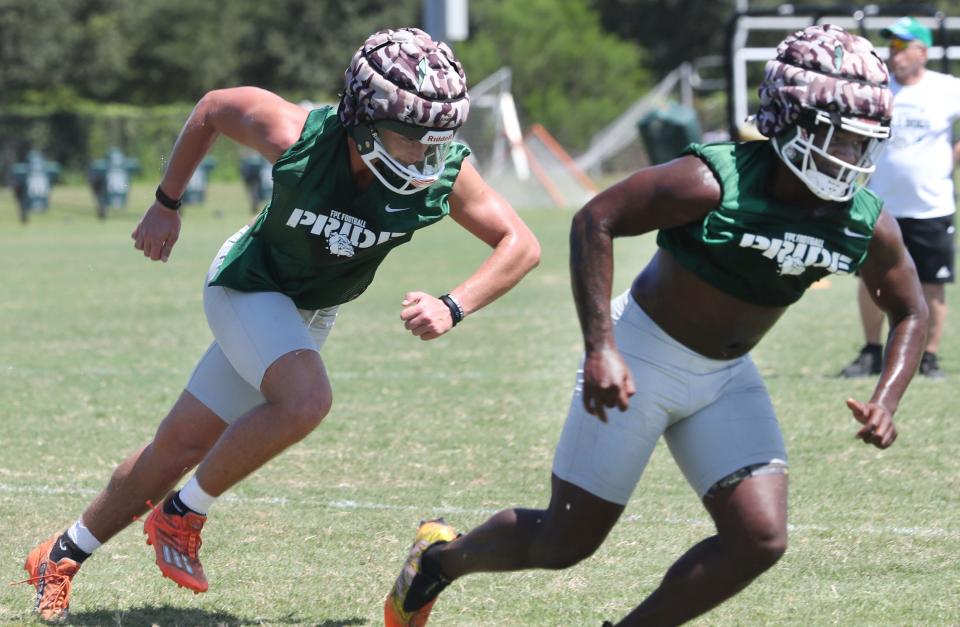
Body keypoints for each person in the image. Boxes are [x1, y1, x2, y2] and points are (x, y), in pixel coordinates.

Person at [384, 24, 928, 627]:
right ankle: (439, 559)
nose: (853, 156)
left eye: (863, 141)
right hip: (641, 355)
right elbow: (596, 220)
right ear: (791, 120)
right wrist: (601, 347)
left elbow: (909, 308)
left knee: (760, 539)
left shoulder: (862, 222)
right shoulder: (714, 181)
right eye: (840, 137)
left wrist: (889, 396)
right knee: (565, 542)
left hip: (726, 377)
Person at [19, 27, 540, 621]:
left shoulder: (442, 171)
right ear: (362, 122)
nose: (426, 155)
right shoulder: (299, 136)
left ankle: (59, 555)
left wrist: (454, 304)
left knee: (178, 446)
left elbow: (519, 243)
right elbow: (213, 107)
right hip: (249, 285)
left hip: (309, 312)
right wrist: (166, 203)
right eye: (411, 138)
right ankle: (181, 515)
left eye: (437, 140)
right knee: (306, 399)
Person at [841, 16, 960, 379]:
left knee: (931, 282)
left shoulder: (947, 88)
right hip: (880, 205)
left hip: (931, 205)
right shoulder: (879, 89)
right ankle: (872, 351)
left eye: (901, 46)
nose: (894, 55)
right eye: (889, 46)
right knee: (871, 277)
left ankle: (929, 357)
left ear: (922, 52)